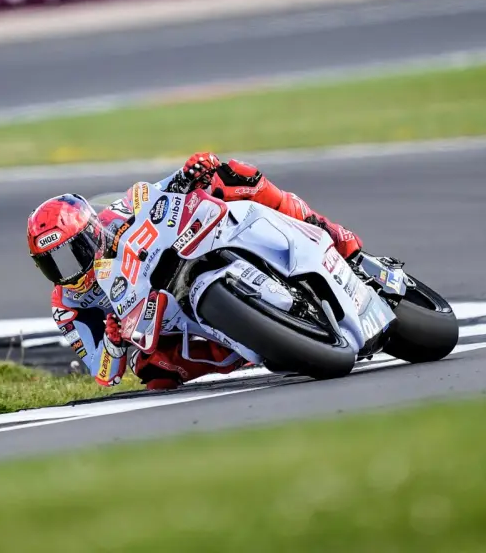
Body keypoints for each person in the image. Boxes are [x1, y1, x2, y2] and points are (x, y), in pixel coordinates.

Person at [27, 152, 363, 390]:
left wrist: (190, 172)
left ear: (92, 231)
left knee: (233, 175)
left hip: (174, 254)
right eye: (53, 264)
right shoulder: (67, 305)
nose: (69, 270)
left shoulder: (114, 216)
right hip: (155, 319)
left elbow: (157, 191)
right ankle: (246, 347)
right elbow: (103, 374)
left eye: (75, 251)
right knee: (152, 372)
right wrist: (113, 343)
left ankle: (328, 231)